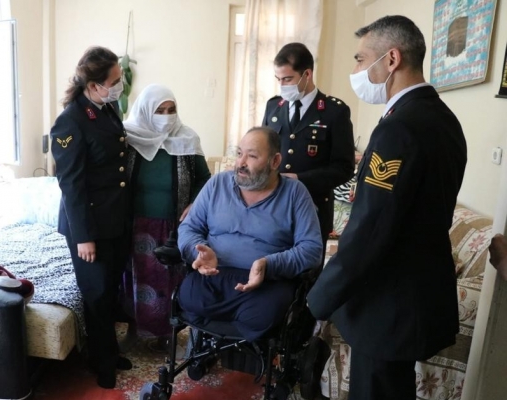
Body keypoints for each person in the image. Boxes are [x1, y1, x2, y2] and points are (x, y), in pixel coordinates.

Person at [306, 16, 467, 400]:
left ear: (391, 59)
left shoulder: (399, 127)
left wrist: (320, 297)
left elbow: (370, 228)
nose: (357, 71)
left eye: (361, 59)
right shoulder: (444, 120)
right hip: (418, 294)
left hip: (388, 303)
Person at [176, 126, 322, 341]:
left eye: (252, 156)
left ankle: (237, 350)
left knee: (264, 313)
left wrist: (269, 264)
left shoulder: (295, 193)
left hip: (266, 283)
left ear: (275, 161)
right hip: (215, 275)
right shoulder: (217, 184)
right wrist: (198, 251)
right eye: (239, 153)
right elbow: (189, 227)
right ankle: (211, 345)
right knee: (188, 296)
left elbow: (311, 249)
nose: (241, 163)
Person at [50, 46, 133, 389]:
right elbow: (71, 185)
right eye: (114, 81)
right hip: (89, 225)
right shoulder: (69, 122)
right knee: (96, 294)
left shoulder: (108, 108)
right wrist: (84, 237)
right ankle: (102, 363)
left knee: (110, 289)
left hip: (114, 219)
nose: (120, 85)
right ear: (95, 85)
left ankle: (108, 351)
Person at [121, 84, 211, 349]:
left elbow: (205, 179)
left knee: (168, 281)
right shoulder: (129, 138)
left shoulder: (187, 139)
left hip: (174, 225)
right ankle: (135, 331)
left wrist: (195, 203)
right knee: (135, 280)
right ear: (145, 111)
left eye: (171, 110)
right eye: (159, 111)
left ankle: (167, 335)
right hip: (136, 225)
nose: (166, 116)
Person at [262, 42, 355, 257]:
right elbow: (263, 151)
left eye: (287, 79)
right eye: (278, 79)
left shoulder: (334, 111)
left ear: (307, 74)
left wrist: (300, 179)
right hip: (274, 207)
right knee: (271, 265)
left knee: (308, 270)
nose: (282, 86)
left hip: (314, 208)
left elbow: (344, 168)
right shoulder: (273, 107)